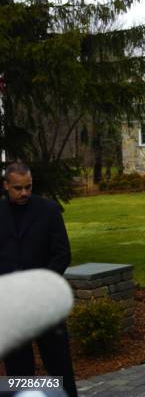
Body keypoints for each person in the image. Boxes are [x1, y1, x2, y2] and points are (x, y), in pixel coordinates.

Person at [0, 162, 78, 397]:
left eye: (28, 187)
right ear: (5, 186)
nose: (24, 193)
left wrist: (41, 286)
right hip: (12, 307)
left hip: (46, 304)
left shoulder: (49, 210)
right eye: (17, 188)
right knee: (18, 370)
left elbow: (62, 253)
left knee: (59, 365)